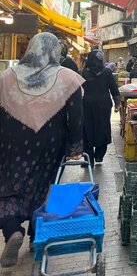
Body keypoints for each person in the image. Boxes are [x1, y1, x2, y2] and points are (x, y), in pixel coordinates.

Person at [0, 32, 85, 267]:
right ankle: (36, 237)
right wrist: (75, 146)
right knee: (43, 187)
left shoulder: (7, 76)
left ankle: (12, 231)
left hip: (12, 143)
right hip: (49, 143)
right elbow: (76, 115)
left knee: (10, 188)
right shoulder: (67, 78)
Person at [81, 49, 120, 166]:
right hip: (104, 105)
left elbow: (77, 89)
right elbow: (114, 89)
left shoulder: (84, 73)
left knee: (87, 129)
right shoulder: (107, 72)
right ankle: (99, 155)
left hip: (87, 105)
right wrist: (117, 104)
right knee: (102, 127)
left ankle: (88, 159)